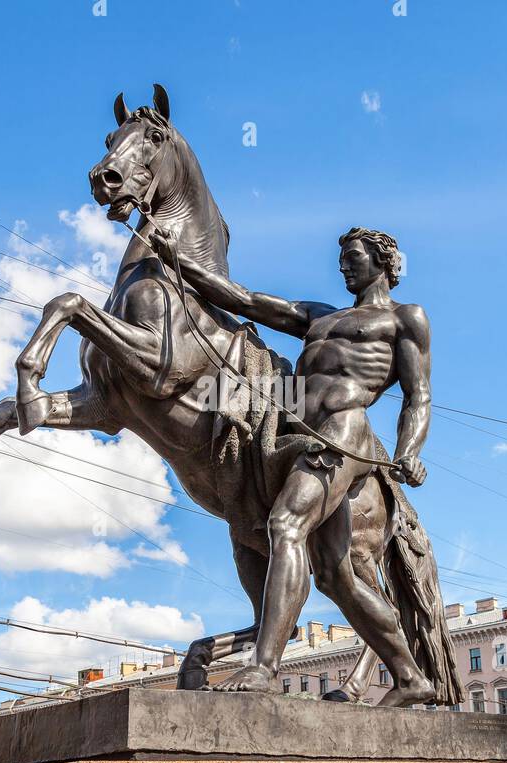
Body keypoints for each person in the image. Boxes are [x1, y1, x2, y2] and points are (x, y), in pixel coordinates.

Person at [150, 225, 436, 704]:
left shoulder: (407, 319)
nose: (343, 265)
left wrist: (409, 451)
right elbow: (243, 299)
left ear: (384, 262)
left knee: (284, 526)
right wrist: (178, 260)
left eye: (353, 256)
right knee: (334, 576)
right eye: (341, 257)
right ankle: (412, 679)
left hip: (344, 431)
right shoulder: (318, 316)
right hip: (297, 434)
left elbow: (419, 397)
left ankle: (263, 667)